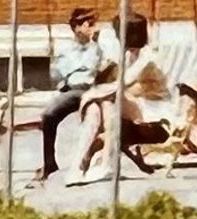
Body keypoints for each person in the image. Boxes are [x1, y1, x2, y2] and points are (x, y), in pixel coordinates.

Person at [70, 13, 171, 181]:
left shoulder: (148, 57)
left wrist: (89, 95)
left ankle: (104, 164)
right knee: (97, 107)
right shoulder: (128, 56)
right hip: (132, 114)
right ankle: (78, 166)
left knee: (109, 100)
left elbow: (122, 83)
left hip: (156, 119)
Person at [36, 6, 104, 181]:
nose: (93, 29)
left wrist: (75, 70)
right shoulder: (64, 49)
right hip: (71, 90)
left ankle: (91, 162)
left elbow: (90, 70)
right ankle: (49, 162)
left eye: (93, 24)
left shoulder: (96, 49)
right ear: (77, 27)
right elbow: (59, 73)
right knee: (48, 115)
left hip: (89, 90)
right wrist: (76, 71)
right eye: (89, 24)